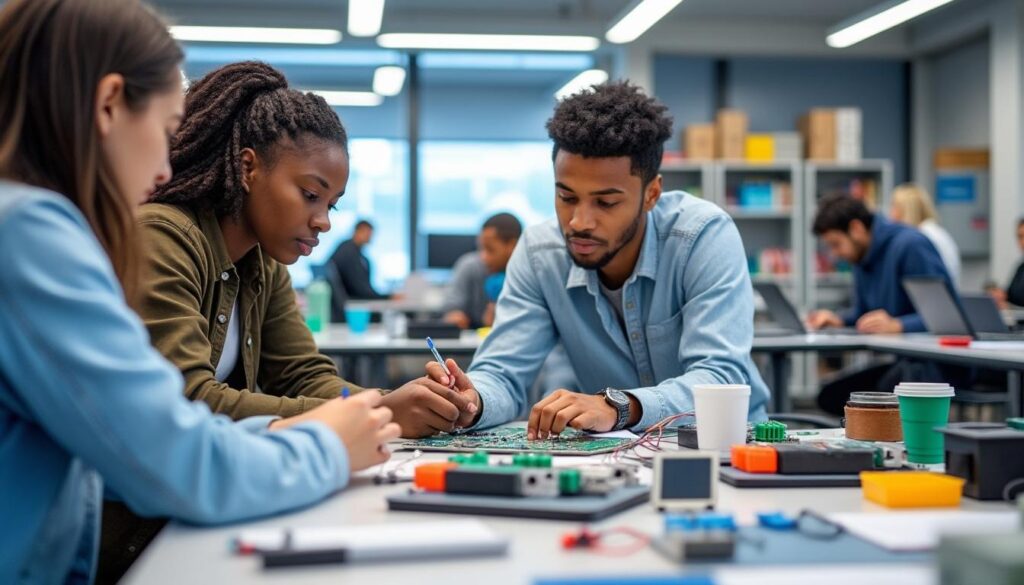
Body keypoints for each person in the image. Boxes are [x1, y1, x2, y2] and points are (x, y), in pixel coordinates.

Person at [0, 1, 398, 583]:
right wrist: (329, 445)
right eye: (164, 133)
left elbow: (126, 439)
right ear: (110, 103)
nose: (164, 169)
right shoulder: (32, 234)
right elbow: (175, 458)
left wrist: (347, 417)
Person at [423, 81, 770, 439]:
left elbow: (719, 378)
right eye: (567, 197)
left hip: (724, 444)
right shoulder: (541, 255)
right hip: (613, 450)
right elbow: (502, 373)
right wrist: (472, 400)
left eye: (605, 203)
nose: (579, 222)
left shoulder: (702, 237)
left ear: (651, 193)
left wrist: (620, 406)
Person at [141, 61, 472, 432]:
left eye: (330, 204)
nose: (324, 221)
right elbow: (188, 399)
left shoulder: (262, 262)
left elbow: (302, 375)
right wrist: (382, 412)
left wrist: (402, 402)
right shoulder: (163, 235)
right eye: (310, 194)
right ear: (248, 168)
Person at [806, 194, 961, 414]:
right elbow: (865, 312)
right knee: (832, 396)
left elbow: (946, 314)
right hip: (906, 362)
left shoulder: (911, 245)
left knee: (874, 399)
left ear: (856, 228)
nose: (835, 254)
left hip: (936, 365)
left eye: (836, 244)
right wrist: (839, 319)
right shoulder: (861, 257)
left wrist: (900, 325)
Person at [442, 213, 523, 330]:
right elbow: (451, 307)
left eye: (490, 249)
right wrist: (454, 316)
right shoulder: (469, 266)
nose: (483, 257)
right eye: (481, 248)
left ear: (512, 245)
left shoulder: (528, 274)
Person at [889, 183, 961, 286]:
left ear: (906, 210)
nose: (890, 214)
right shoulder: (932, 231)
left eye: (894, 207)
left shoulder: (922, 238)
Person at [329, 219, 388, 302]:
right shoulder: (349, 252)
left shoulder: (355, 252)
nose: (370, 237)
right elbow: (360, 289)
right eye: (368, 233)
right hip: (348, 302)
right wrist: (387, 297)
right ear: (358, 231)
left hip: (346, 301)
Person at [988, 218, 1024, 308]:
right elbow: (1011, 296)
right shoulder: (1021, 268)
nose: (1023, 242)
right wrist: (1000, 295)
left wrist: (1009, 307)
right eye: (1020, 237)